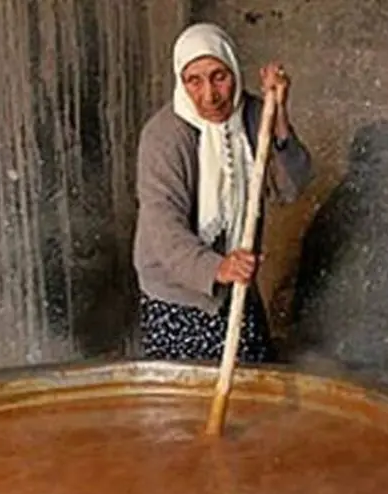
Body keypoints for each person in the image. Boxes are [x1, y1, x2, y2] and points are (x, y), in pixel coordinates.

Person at [132, 22, 312, 363]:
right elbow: (163, 230)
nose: (209, 95)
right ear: (180, 82)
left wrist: (281, 118)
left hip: (238, 287)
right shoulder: (164, 137)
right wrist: (218, 268)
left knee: (251, 393)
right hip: (178, 297)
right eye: (193, 81)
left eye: (219, 76)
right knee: (187, 403)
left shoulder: (256, 114)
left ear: (234, 71)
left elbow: (293, 187)